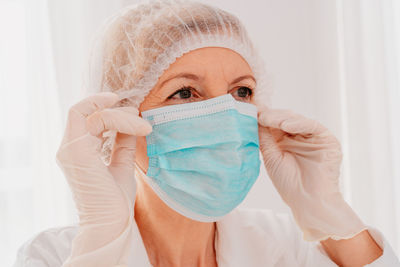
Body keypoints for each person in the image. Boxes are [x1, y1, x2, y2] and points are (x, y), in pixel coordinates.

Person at [13, 0, 400, 266]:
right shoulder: (53, 255)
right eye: (185, 93)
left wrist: (329, 211)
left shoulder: (284, 247)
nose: (226, 113)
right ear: (121, 116)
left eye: (242, 92)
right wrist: (101, 243)